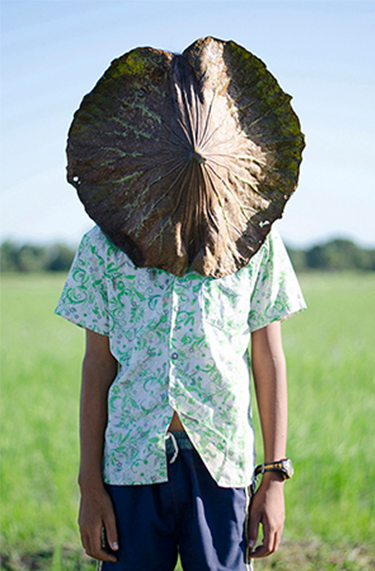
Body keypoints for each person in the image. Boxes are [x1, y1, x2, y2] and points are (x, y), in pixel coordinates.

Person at [55, 226, 305, 569]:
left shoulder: (253, 236)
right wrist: (90, 484)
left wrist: (275, 477)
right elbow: (98, 364)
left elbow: (269, 359)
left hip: (222, 462)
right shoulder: (105, 242)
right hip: (131, 462)